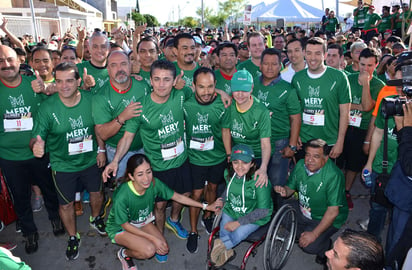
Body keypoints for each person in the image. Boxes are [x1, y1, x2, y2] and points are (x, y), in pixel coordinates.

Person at [103, 60, 193, 262]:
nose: (162, 85)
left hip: (182, 161)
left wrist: (223, 94)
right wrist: (115, 160)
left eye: (167, 80)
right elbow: (127, 137)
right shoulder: (140, 107)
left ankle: (175, 219)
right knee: (159, 207)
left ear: (174, 81)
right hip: (158, 168)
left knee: (183, 194)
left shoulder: (181, 95)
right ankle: (158, 234)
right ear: (150, 81)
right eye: (157, 79)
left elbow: (201, 92)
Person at [31, 62, 107, 260]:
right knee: (65, 205)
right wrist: (35, 145)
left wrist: (101, 149)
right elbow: (36, 136)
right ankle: (73, 236)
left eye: (69, 81)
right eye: (59, 81)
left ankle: (95, 218)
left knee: (97, 194)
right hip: (63, 164)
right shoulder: (48, 107)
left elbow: (98, 127)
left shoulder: (91, 100)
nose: (64, 86)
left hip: (90, 160)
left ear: (79, 82)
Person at [0, 45, 64, 254]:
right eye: (1, 61)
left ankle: (55, 219)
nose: (6, 64)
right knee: (20, 196)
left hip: (38, 152)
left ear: (19, 61)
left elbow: (55, 101)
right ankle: (29, 232)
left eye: (9, 59)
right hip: (9, 157)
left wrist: (46, 88)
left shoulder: (34, 85)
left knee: (48, 189)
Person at [106, 154, 220, 269]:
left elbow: (178, 197)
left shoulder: (154, 184)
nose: (146, 178)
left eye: (148, 171)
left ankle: (139, 242)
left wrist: (206, 207)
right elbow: (125, 224)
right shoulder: (123, 195)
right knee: (149, 250)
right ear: (131, 176)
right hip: (120, 228)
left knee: (163, 248)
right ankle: (124, 253)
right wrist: (152, 238)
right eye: (140, 174)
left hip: (140, 222)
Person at [275, 138, 348, 267]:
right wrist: (284, 191)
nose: (309, 160)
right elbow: (290, 188)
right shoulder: (300, 165)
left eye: (316, 156)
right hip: (303, 209)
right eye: (307, 154)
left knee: (310, 245)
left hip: (323, 217)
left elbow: (332, 212)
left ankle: (325, 245)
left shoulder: (334, 176)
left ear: (325, 158)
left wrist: (314, 235)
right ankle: (304, 232)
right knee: (278, 215)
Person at [183, 67, 228, 252]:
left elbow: (226, 130)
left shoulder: (224, 104)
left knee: (213, 189)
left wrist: (228, 155)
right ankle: (193, 231)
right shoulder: (185, 103)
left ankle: (208, 217)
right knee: (196, 195)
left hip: (217, 157)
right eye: (201, 87)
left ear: (216, 86)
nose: (206, 92)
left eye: (210, 86)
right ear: (193, 86)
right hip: (195, 159)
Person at [210, 144, 273, 267]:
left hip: (254, 214)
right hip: (232, 209)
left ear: (252, 164)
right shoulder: (228, 173)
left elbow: (263, 211)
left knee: (238, 233)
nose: (239, 167)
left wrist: (238, 223)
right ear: (231, 163)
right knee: (224, 229)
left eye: (244, 163)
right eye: (235, 162)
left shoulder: (260, 181)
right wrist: (222, 200)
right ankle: (225, 251)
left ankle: (220, 248)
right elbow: (228, 190)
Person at [339, 48, 385, 210]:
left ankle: (345, 191)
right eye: (362, 64)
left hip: (362, 129)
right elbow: (340, 103)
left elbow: (367, 107)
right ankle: (334, 191)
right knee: (338, 161)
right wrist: (355, 106)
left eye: (370, 65)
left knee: (353, 165)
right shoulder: (347, 78)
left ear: (376, 65)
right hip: (344, 124)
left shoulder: (379, 86)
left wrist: (365, 84)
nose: (365, 69)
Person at [292, 37, 351, 160]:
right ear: (304, 54)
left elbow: (345, 113)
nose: (313, 58)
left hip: (329, 142)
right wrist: (295, 135)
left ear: (325, 55)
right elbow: (294, 111)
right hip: (304, 141)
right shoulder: (297, 78)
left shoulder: (339, 77)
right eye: (309, 53)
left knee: (327, 179)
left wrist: (340, 141)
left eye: (318, 53)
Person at [253, 48, 301, 191]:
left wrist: (292, 146)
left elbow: (295, 119)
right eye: (266, 63)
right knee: (256, 184)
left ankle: (274, 212)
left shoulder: (288, 89)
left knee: (276, 185)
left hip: (279, 143)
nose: (269, 67)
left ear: (280, 65)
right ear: (260, 65)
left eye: (274, 64)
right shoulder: (252, 84)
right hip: (255, 141)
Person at [222, 70, 271, 186]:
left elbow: (265, 143)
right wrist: (229, 155)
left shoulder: (261, 111)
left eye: (244, 90)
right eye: (236, 90)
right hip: (237, 155)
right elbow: (225, 130)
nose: (240, 94)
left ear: (252, 88)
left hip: (257, 156)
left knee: (259, 187)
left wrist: (263, 168)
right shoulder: (229, 105)